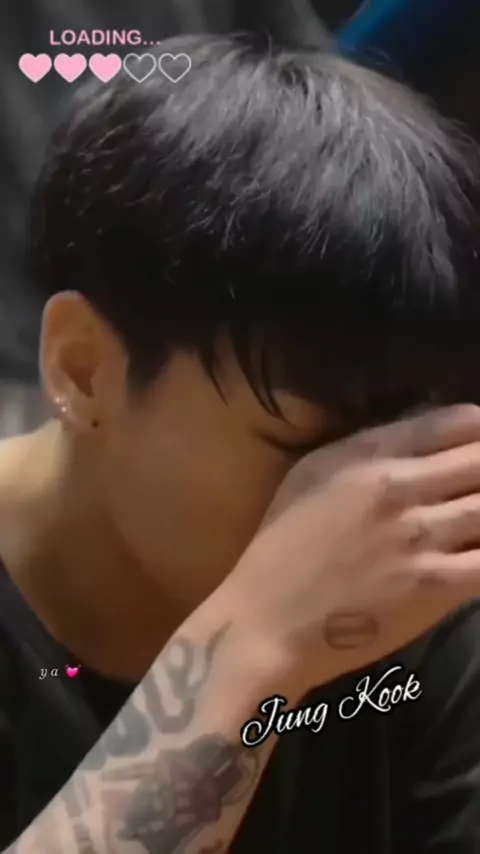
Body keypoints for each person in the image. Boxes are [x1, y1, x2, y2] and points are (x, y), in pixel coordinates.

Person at [2, 33, 480, 854]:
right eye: (301, 446)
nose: (375, 500)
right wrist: (253, 649)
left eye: (410, 434)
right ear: (83, 369)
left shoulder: (428, 577)